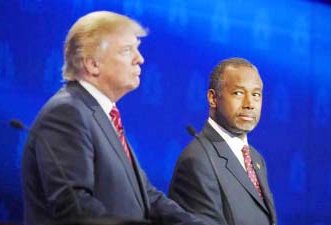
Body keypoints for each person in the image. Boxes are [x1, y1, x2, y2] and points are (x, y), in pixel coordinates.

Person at [21, 11, 205, 225]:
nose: (140, 59)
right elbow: (76, 208)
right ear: (92, 64)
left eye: (137, 49)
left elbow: (148, 198)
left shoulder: (101, 114)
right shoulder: (67, 113)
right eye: (127, 51)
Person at [169, 58, 277, 225]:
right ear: (213, 98)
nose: (249, 104)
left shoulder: (256, 159)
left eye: (256, 95)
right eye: (238, 93)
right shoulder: (197, 161)